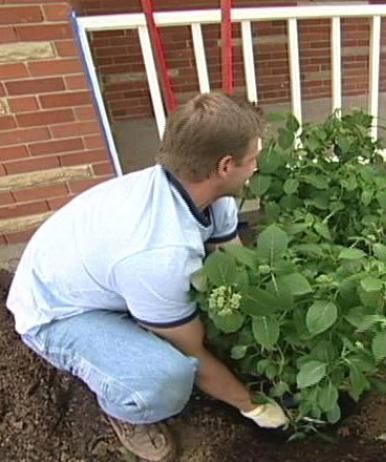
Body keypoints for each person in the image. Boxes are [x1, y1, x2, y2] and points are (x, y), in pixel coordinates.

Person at [6, 92, 289, 462]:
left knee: (181, 319)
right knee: (166, 376)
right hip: (58, 311)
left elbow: (235, 265)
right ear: (224, 166)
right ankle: (125, 409)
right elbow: (192, 352)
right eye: (253, 159)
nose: (256, 167)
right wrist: (255, 407)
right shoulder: (159, 253)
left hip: (102, 277)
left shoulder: (205, 191)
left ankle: (147, 321)